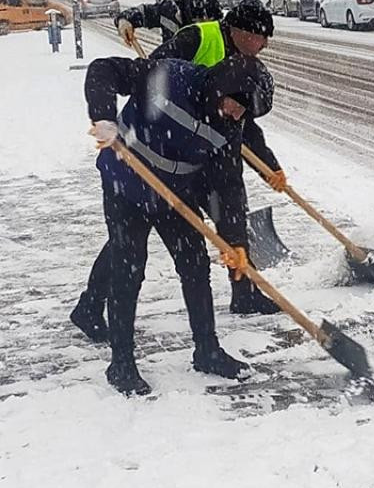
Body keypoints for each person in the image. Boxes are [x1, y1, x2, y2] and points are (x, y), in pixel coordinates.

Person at [71, 0, 284, 345]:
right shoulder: (198, 39)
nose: (264, 46)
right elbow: (154, 73)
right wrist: (110, 116)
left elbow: (239, 124)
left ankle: (242, 289)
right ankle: (92, 306)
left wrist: (269, 166)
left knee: (227, 211)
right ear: (244, 32)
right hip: (156, 148)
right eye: (262, 38)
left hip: (195, 154)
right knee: (128, 243)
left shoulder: (243, 75)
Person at [83, 54, 275, 395]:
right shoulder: (168, 76)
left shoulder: (228, 127)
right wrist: (103, 115)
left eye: (245, 113)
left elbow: (227, 187)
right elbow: (104, 70)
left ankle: (207, 350)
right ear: (222, 88)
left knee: (195, 265)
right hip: (126, 184)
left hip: (174, 195)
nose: (237, 115)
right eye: (237, 106)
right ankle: (122, 363)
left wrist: (235, 243)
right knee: (128, 267)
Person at [114, 0, 221, 45]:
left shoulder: (224, 28)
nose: (202, 25)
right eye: (197, 21)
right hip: (172, 74)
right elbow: (145, 12)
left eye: (208, 22)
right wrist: (125, 19)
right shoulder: (169, 12)